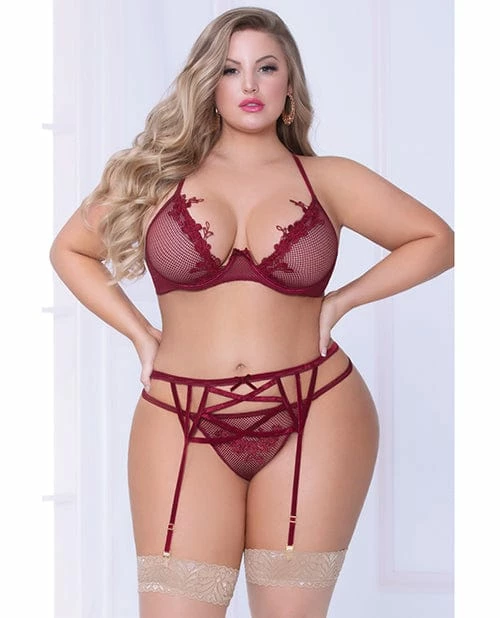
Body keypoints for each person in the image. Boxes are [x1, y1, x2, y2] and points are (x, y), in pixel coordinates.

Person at [49, 6, 454, 618]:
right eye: (230, 69)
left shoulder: (329, 179)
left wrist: (341, 301)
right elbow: (70, 250)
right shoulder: (158, 177)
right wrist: (140, 335)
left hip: (316, 408)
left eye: (267, 68)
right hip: (179, 413)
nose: (249, 84)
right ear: (208, 84)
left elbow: (437, 240)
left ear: (289, 85)